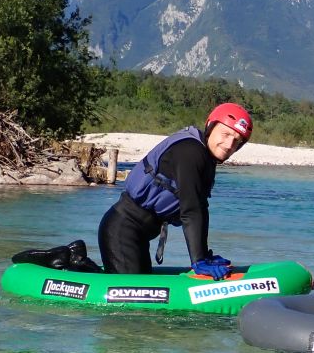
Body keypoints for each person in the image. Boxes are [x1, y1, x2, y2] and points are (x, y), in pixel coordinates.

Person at [96, 102, 253, 279]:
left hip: (139, 234)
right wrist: (199, 261)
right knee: (134, 304)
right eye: (225, 134)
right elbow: (191, 209)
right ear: (210, 126)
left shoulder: (205, 157)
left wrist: (204, 254)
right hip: (122, 230)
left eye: (237, 141)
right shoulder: (191, 152)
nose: (229, 144)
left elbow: (200, 208)